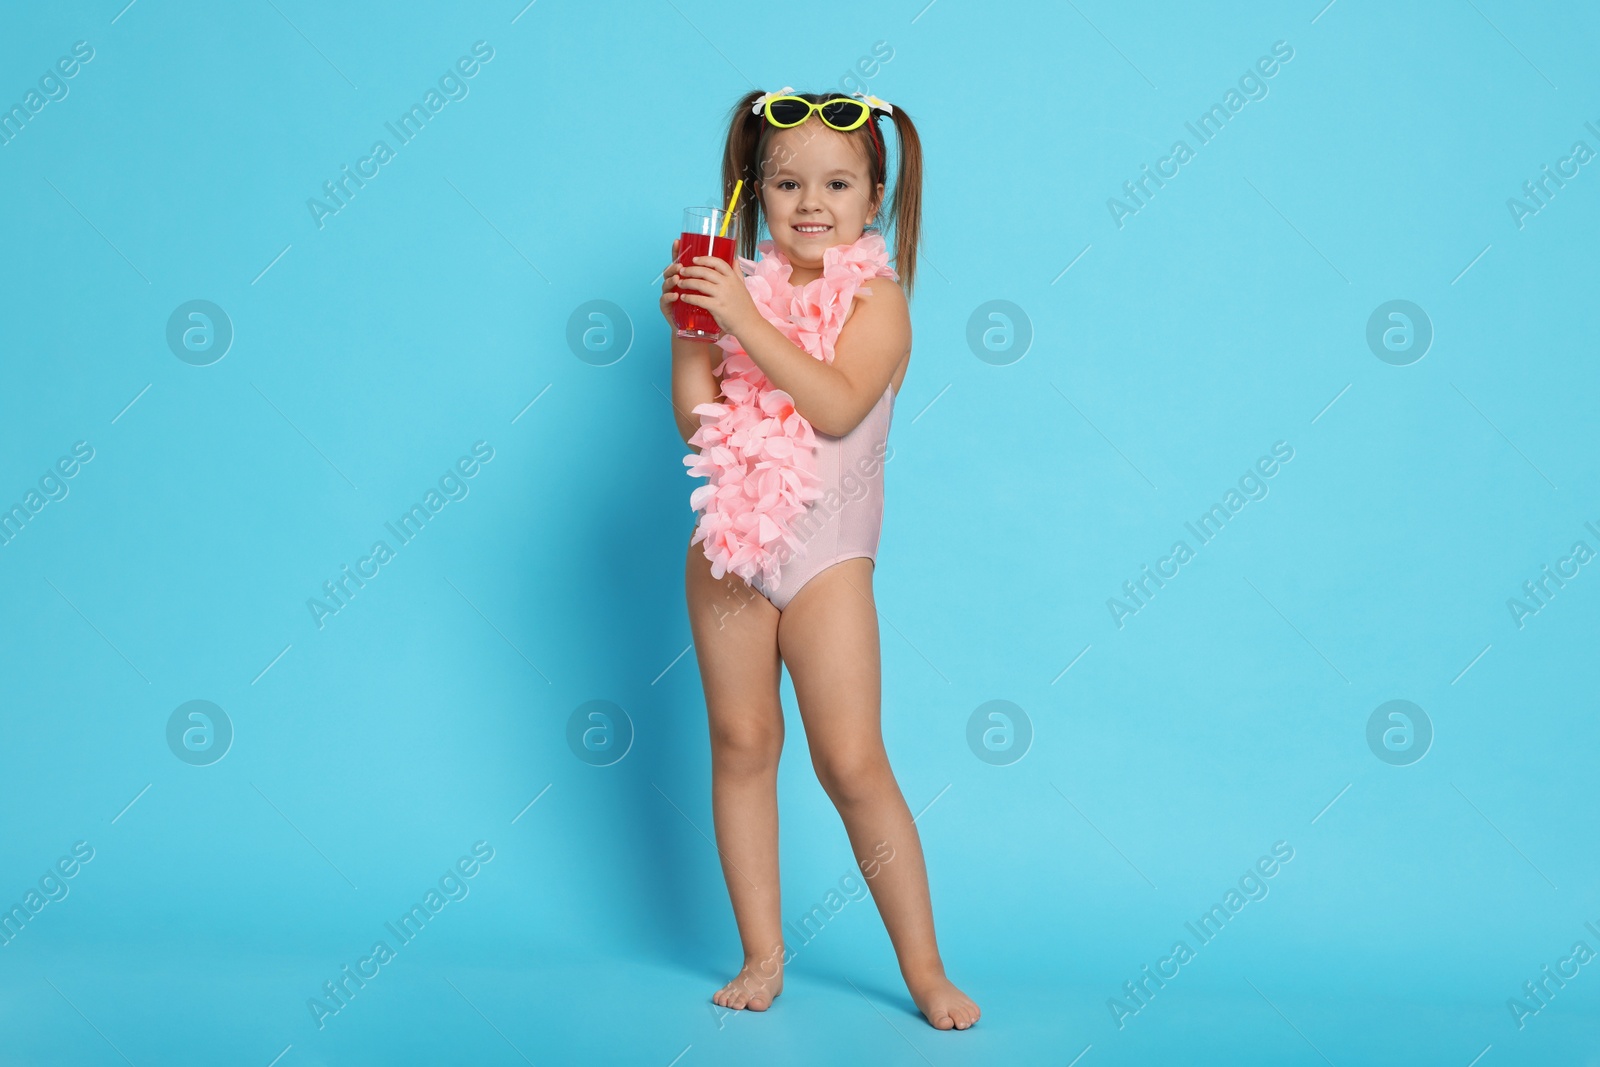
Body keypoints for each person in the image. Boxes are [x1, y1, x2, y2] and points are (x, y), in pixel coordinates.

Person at [661, 87, 979, 1031]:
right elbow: (697, 420)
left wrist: (744, 325)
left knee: (849, 760)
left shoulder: (880, 304)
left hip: (828, 559)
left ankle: (924, 969)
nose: (811, 202)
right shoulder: (728, 287)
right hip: (728, 548)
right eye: (787, 181)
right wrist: (694, 331)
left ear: (873, 195)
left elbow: (836, 405)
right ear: (751, 193)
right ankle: (762, 956)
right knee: (742, 743)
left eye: (837, 183)